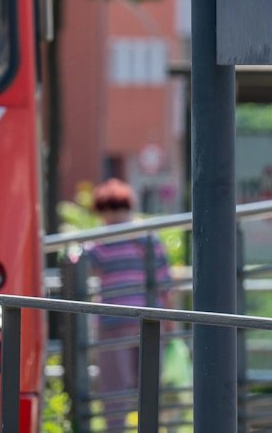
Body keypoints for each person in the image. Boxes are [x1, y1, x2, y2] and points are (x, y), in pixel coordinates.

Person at [83, 179, 169, 430]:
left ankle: (116, 429)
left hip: (113, 320)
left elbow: (83, 263)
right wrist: (169, 320)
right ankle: (151, 426)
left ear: (104, 209)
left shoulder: (101, 241)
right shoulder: (148, 239)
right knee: (149, 383)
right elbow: (164, 281)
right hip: (148, 320)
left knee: (114, 388)